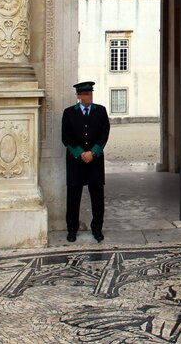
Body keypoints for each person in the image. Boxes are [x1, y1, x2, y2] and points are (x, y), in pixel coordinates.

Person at [62, 81, 110, 242]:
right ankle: (72, 229)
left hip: (95, 162)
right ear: (78, 96)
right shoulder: (69, 113)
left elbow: (104, 135)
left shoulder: (101, 111)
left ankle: (97, 228)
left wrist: (93, 152)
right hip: (76, 161)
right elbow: (66, 137)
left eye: (89, 94)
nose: (87, 97)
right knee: (73, 198)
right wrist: (80, 153)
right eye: (84, 94)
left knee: (97, 198)